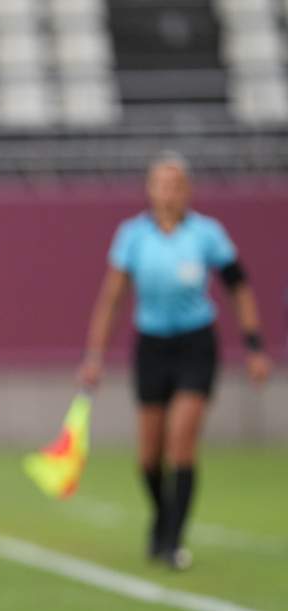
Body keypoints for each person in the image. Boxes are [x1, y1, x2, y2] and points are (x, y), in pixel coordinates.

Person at [78, 152, 272, 569]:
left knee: (181, 440)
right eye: (160, 184)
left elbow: (239, 288)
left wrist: (254, 347)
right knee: (148, 458)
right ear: (149, 191)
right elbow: (112, 299)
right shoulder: (132, 235)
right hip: (151, 346)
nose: (167, 192)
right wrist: (94, 356)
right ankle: (163, 518)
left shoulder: (207, 235)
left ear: (187, 191)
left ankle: (172, 542)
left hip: (196, 345)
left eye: (175, 185)